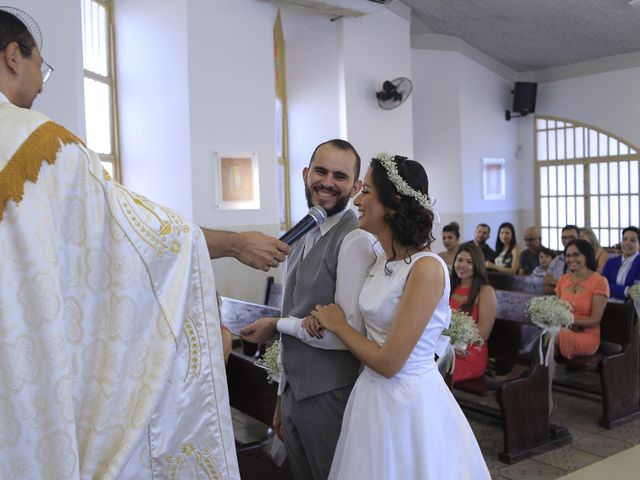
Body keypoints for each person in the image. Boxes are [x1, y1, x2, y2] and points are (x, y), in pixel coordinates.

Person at [0, 8, 284, 478]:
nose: (43, 84)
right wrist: (234, 244)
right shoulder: (43, 147)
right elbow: (137, 238)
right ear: (13, 56)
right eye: (40, 66)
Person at [310, 154, 489, 479]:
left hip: (408, 404)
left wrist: (337, 325)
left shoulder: (426, 269)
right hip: (371, 397)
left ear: (392, 203)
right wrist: (319, 319)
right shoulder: (380, 260)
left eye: (366, 192)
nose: (358, 199)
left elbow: (390, 363)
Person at [240, 139, 375, 480]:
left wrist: (277, 324)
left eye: (340, 176)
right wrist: (282, 395)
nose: (327, 182)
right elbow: (295, 308)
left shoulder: (354, 239)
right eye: (320, 170)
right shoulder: (304, 230)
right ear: (305, 174)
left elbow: (344, 334)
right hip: (294, 393)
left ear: (356, 187)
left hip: (329, 393)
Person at [449, 242, 497, 383]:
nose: (462, 265)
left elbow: (483, 333)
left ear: (477, 265)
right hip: (447, 351)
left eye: (469, 262)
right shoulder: (449, 288)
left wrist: (455, 343)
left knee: (432, 374)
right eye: (460, 260)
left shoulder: (485, 291)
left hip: (469, 356)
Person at [555, 239, 609, 359]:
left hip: (587, 336)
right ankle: (541, 375)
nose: (571, 259)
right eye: (568, 256)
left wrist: (570, 322)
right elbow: (557, 312)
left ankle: (534, 375)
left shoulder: (599, 281)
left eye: (576, 255)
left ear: (587, 256)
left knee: (547, 337)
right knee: (542, 335)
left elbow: (595, 320)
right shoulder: (563, 280)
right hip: (562, 330)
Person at [601, 226, 640, 301]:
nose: (627, 243)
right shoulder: (610, 262)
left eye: (632, 240)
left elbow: (636, 291)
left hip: (632, 307)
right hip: (608, 304)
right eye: (624, 239)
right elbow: (603, 286)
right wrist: (626, 290)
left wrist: (613, 288)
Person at [544, 224, 580, 294]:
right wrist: (564, 287)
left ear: (579, 238)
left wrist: (555, 283)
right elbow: (547, 281)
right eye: (564, 237)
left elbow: (577, 287)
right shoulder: (557, 259)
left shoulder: (583, 260)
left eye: (571, 237)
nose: (567, 240)